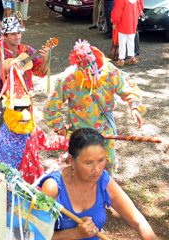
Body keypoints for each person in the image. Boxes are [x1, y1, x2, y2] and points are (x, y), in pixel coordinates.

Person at [43, 40, 144, 175]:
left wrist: (134, 107)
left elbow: (129, 88)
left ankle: (106, 192)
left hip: (106, 133)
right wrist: (59, 127)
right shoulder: (68, 78)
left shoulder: (110, 72)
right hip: (81, 135)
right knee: (83, 170)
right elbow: (51, 107)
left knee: (107, 165)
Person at [39, 128, 157, 240]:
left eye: (101, 160)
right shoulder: (52, 187)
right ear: (71, 161)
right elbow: (33, 234)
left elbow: (138, 221)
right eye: (88, 163)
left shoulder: (103, 181)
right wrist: (74, 234)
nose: (97, 169)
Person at [0, 64, 68, 184]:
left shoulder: (32, 129)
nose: (26, 114)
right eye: (18, 109)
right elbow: (2, 178)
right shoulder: (3, 141)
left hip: (35, 184)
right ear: (9, 110)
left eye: (28, 108)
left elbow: (46, 142)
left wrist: (69, 141)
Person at [0, 16, 49, 128]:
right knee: (4, 131)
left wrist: (45, 60)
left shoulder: (28, 50)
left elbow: (40, 73)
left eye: (19, 33)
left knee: (25, 129)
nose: (17, 37)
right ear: (4, 36)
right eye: (13, 34)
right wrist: (7, 68)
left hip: (25, 98)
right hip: (4, 97)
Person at [111, 0, 143, 67]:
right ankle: (132, 58)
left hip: (123, 23)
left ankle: (121, 59)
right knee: (131, 41)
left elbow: (117, 11)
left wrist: (115, 22)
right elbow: (139, 8)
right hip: (133, 23)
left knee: (122, 42)